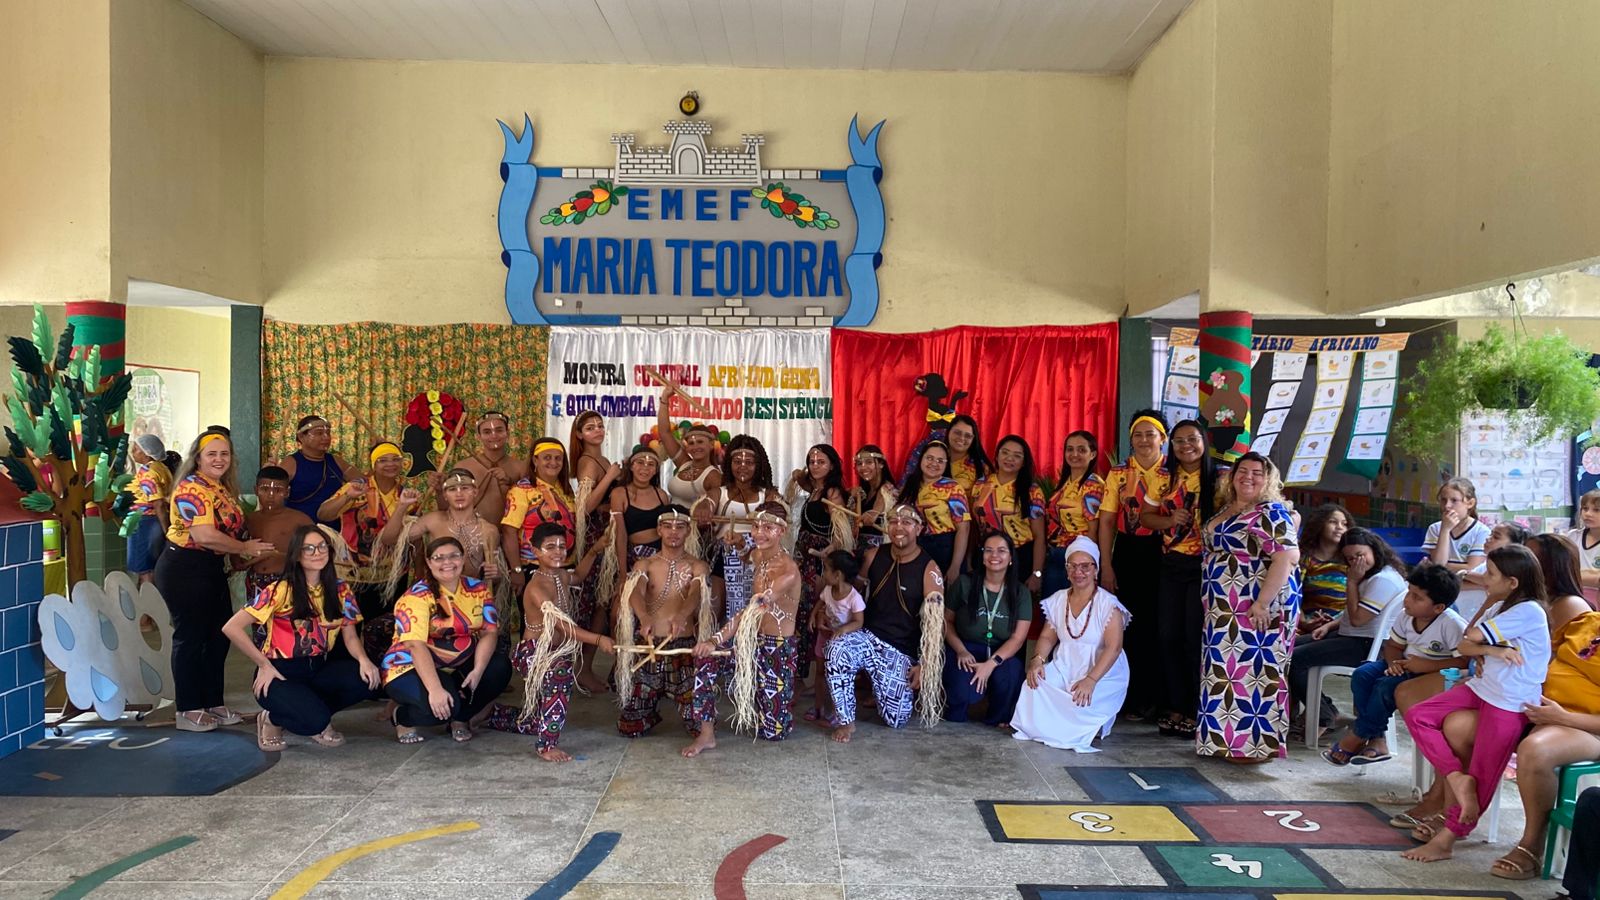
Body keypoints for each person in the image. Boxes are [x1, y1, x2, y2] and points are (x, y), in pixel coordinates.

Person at [1440, 533, 1593, 879]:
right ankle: (1454, 816)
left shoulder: (1571, 608)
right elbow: (1534, 658)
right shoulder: (1588, 626)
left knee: (1536, 750)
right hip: (1534, 706)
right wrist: (1490, 657)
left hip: (1580, 722)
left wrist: (1563, 716)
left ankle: (1532, 843)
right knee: (1457, 724)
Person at [1402, 544, 1552, 863]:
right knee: (1419, 715)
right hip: (1483, 688)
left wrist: (1481, 646)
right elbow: (1466, 643)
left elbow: (1472, 640)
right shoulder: (1500, 605)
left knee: (1484, 773)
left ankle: (1447, 840)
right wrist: (1493, 650)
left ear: (1512, 582)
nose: (1484, 578)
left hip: (1509, 702)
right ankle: (1457, 778)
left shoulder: (1529, 610)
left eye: (1491, 574)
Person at [154, 428, 277, 732]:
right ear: (198, 458)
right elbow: (205, 535)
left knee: (218, 637)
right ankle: (188, 708)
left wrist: (239, 552)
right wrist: (243, 548)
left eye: (224, 454)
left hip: (210, 567)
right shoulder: (192, 489)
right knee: (191, 637)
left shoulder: (219, 487)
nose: (219, 459)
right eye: (212, 454)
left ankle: (213, 703)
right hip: (184, 567)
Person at [220, 525, 382, 751]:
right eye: (309, 548)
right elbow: (232, 627)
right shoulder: (280, 590)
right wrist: (263, 664)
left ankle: (314, 712)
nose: (318, 552)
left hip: (318, 666)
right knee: (313, 722)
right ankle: (272, 719)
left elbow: (351, 636)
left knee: (367, 680)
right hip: (280, 672)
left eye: (322, 546)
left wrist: (364, 660)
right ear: (297, 555)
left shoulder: (341, 589)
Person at [1195, 452, 1301, 764]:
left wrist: (1262, 603)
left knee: (1255, 673)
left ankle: (1255, 747)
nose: (1248, 477)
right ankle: (1223, 742)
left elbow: (1287, 557)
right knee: (1224, 673)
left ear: (1268, 479)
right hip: (1224, 609)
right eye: (1243, 471)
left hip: (1256, 605)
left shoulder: (1272, 511)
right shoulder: (1229, 507)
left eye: (1257, 472)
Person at [485, 523, 613, 761]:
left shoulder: (561, 575)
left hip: (555, 651)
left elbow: (579, 576)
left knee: (538, 719)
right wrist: (598, 638)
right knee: (560, 676)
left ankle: (489, 714)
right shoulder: (536, 587)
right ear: (535, 551)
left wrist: (595, 550)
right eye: (550, 547)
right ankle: (547, 746)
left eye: (562, 546)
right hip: (533, 653)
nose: (558, 552)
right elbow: (562, 625)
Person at [684, 502, 802, 756]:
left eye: (768, 528)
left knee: (774, 732)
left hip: (776, 648)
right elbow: (749, 556)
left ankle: (771, 710)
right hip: (750, 640)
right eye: (756, 526)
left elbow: (751, 610)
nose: (759, 533)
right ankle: (706, 735)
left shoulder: (788, 571)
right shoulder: (759, 555)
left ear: (782, 531)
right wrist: (740, 546)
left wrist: (715, 639)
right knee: (707, 660)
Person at [1322, 562, 1464, 766]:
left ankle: (1357, 736)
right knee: (1362, 675)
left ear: (1438, 607)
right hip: (1405, 665)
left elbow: (1463, 661)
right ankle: (1377, 739)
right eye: (1409, 592)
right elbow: (1393, 646)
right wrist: (1393, 663)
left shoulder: (1451, 624)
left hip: (1432, 675)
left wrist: (1425, 665)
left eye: (1417, 597)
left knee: (1385, 686)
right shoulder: (1406, 615)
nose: (1408, 600)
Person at [826, 505, 944, 743]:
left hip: (899, 650)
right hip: (867, 637)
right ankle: (846, 721)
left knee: (896, 719)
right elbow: (851, 593)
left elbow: (934, 626)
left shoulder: (930, 570)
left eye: (907, 522)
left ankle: (880, 688)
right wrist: (829, 611)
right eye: (894, 521)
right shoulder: (873, 555)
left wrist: (924, 664)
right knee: (836, 650)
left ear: (919, 528)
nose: (899, 527)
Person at [382, 536, 512, 744]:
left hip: (456, 663)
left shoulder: (478, 589)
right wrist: (435, 690)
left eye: (454, 556)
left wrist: (478, 670)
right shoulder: (416, 597)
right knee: (440, 709)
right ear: (429, 562)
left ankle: (460, 719)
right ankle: (402, 717)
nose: (447, 562)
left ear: (463, 558)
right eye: (439, 558)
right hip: (409, 665)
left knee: (498, 667)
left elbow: (489, 632)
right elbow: (415, 646)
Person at [1140, 419, 1220, 739]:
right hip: (1172, 564)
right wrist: (1170, 519)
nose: (1186, 446)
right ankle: (1175, 706)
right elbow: (1145, 517)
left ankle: (1195, 710)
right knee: (1168, 636)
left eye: (1192, 439)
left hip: (1207, 567)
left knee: (1193, 638)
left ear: (1204, 441)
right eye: (1179, 441)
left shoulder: (1221, 477)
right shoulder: (1163, 477)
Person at [1011, 536, 1129, 751]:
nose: (1078, 572)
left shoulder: (1109, 605)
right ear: (1066, 570)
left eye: (1085, 566)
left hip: (1102, 671)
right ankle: (1057, 727)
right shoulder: (1058, 599)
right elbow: (1047, 637)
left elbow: (1114, 648)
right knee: (1033, 685)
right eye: (1072, 566)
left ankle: (1076, 726)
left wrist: (1091, 680)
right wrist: (1037, 660)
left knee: (1080, 700)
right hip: (1065, 664)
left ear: (1095, 570)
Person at [1291, 527, 1409, 740]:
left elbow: (1358, 619)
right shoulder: (1372, 575)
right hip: (1351, 636)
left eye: (1360, 555)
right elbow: (1355, 615)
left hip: (1368, 645)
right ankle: (1324, 712)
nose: (1356, 562)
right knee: (1288, 649)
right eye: (1350, 559)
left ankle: (1324, 716)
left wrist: (1352, 582)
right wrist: (1329, 626)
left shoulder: (1383, 579)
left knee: (1294, 660)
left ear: (1374, 550)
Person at [616, 507, 711, 738]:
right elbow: (635, 592)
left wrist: (682, 615)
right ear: (659, 530)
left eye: (680, 527)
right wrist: (643, 616)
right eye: (667, 526)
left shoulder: (697, 566)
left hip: (682, 646)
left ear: (688, 531)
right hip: (650, 645)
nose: (673, 532)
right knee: (631, 726)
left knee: (700, 726)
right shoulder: (645, 564)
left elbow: (696, 592)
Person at [1098, 409, 1168, 720]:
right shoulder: (1119, 473)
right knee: (1128, 626)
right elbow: (1107, 521)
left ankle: (1158, 699)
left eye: (1150, 434)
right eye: (1137, 434)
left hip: (1164, 552)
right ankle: (1130, 698)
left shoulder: (1172, 472)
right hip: (1128, 551)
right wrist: (1107, 564)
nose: (1143, 440)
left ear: (1162, 438)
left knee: (1160, 625)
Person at [317, 440, 420, 621]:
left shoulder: (406, 494)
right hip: (352, 573)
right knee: (348, 627)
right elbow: (323, 514)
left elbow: (414, 538)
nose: (390, 464)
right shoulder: (358, 487)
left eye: (395, 459)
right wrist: (348, 496)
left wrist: (419, 572)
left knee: (384, 626)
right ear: (373, 464)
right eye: (383, 460)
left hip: (390, 575)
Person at [943, 532, 1031, 728]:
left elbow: (1018, 638)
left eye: (1001, 551)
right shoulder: (964, 583)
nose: (994, 556)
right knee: (963, 692)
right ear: (982, 556)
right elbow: (946, 621)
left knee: (1011, 673)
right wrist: (961, 650)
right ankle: (955, 712)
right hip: (966, 648)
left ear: (1010, 557)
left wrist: (991, 664)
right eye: (988, 550)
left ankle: (999, 718)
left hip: (1001, 653)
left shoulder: (1020, 592)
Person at [570, 410, 624, 693]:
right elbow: (585, 508)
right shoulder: (587, 462)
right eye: (590, 427)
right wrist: (611, 476)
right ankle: (582, 668)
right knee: (592, 603)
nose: (597, 430)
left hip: (608, 536)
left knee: (602, 602)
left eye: (600, 426)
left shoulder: (600, 459)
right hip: (595, 538)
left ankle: (586, 667)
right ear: (579, 434)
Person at [786, 443, 849, 682]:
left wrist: (828, 553)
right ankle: (799, 672)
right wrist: (798, 475)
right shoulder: (814, 489)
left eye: (821, 462)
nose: (815, 466)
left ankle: (812, 676)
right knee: (799, 608)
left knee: (812, 608)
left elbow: (841, 531)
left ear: (832, 465)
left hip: (818, 559)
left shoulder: (832, 492)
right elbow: (800, 479)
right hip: (803, 555)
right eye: (812, 462)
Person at [708, 435, 780, 624]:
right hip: (724, 555)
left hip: (757, 557)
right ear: (729, 464)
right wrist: (703, 509)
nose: (743, 466)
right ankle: (717, 641)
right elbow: (706, 505)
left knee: (755, 610)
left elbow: (777, 518)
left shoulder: (768, 495)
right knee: (715, 610)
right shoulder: (719, 492)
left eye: (749, 462)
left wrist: (745, 540)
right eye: (737, 461)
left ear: (758, 465)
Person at [500, 436, 577, 597]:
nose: (553, 462)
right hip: (534, 567)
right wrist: (516, 570)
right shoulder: (522, 490)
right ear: (535, 460)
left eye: (558, 458)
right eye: (547, 457)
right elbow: (508, 531)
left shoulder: (566, 490)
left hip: (565, 566)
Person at [972, 435, 1047, 595]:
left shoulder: (1032, 491)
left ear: (1023, 462)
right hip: (988, 554)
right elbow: (974, 525)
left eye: (1017, 456)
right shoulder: (981, 485)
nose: (1009, 458)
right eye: (1005, 452)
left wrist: (1037, 574)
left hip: (1019, 556)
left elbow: (1039, 536)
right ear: (997, 455)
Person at [897, 440, 970, 586]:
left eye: (940, 461)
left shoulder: (953, 488)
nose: (934, 463)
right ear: (921, 459)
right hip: (916, 548)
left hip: (946, 549)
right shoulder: (910, 486)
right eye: (929, 458)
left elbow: (964, 529)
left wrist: (955, 566)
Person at [1043, 430, 1104, 601]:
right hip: (1057, 553)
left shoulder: (1093, 485)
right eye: (1070, 449)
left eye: (1081, 450)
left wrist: (1086, 565)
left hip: (1078, 557)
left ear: (1093, 454)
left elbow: (1093, 531)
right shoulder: (1064, 483)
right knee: (1053, 608)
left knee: (1074, 607)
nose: (1074, 454)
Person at [242, 466, 316, 601]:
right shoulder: (250, 520)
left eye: (278, 490)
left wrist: (280, 556)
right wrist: (254, 559)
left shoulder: (300, 519)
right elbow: (237, 562)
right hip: (256, 582)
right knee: (257, 615)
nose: (271, 495)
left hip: (287, 581)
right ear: (256, 490)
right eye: (265, 489)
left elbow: (320, 551)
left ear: (287, 492)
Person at [808, 550, 864, 726]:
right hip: (825, 637)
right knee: (820, 672)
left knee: (835, 675)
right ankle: (818, 708)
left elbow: (859, 622)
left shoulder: (854, 597)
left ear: (837, 575)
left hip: (841, 644)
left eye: (826, 569)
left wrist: (843, 629)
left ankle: (834, 712)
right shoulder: (828, 590)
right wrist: (813, 616)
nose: (823, 573)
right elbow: (821, 602)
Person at [415, 468, 501, 581]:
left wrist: (495, 574)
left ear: (475, 492)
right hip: (436, 588)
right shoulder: (432, 521)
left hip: (472, 590)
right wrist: (402, 506)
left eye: (465, 488)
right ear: (445, 495)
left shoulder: (489, 530)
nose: (459, 494)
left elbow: (495, 576)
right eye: (452, 489)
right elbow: (393, 539)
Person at [277, 414, 355, 523]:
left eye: (328, 433)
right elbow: (274, 494)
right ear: (301, 437)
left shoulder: (336, 461)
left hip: (334, 528)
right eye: (319, 433)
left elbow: (365, 481)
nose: (326, 437)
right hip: (300, 528)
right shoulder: (290, 463)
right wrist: (269, 474)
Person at [657, 385, 723, 511]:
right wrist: (665, 398)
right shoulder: (684, 464)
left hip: (691, 523)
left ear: (711, 445)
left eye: (700, 442)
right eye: (691, 443)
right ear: (687, 448)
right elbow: (664, 433)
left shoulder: (713, 476)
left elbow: (716, 511)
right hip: (671, 520)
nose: (695, 447)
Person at [458, 411, 530, 523]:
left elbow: (530, 507)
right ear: (478, 436)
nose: (494, 435)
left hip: (511, 531)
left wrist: (509, 482)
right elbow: (447, 508)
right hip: (472, 531)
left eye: (499, 430)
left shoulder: (521, 468)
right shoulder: (463, 467)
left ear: (507, 433)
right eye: (487, 432)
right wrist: (439, 490)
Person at [125, 433, 178, 581]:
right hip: (153, 521)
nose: (132, 452)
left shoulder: (148, 473)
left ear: (147, 453)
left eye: (136, 449)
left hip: (145, 522)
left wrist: (166, 529)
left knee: (144, 569)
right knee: (151, 565)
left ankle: (147, 595)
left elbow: (158, 503)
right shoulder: (161, 468)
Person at [1297, 504, 1351, 635]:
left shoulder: (1350, 559)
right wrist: (1304, 621)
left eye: (1344, 524)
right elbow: (1293, 594)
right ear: (1319, 525)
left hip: (1341, 626)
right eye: (1333, 522)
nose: (1340, 527)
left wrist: (1333, 624)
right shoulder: (1303, 558)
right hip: (1306, 626)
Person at [1424, 477, 1491, 573]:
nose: (1447, 505)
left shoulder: (1481, 531)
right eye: (1443, 500)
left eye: (1454, 500)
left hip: (1466, 582)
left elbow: (1472, 568)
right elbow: (1439, 563)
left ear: (1470, 503)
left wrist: (1440, 566)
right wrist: (1445, 530)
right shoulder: (1435, 528)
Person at [847, 444, 897, 574]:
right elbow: (855, 527)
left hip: (879, 554)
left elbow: (874, 513)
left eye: (869, 462)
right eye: (859, 463)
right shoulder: (864, 492)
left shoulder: (887, 490)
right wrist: (853, 499)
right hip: (861, 551)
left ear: (881, 464)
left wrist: (873, 514)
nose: (863, 467)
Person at [1562, 488, 1600, 606]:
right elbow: (1560, 570)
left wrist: (1571, 575)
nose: (1588, 514)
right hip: (1573, 595)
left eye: (1596, 510)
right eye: (1585, 508)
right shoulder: (1572, 536)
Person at [944, 415, 991, 495]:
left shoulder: (982, 468)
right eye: (957, 433)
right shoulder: (934, 458)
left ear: (973, 439)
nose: (962, 438)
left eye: (968, 436)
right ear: (948, 431)